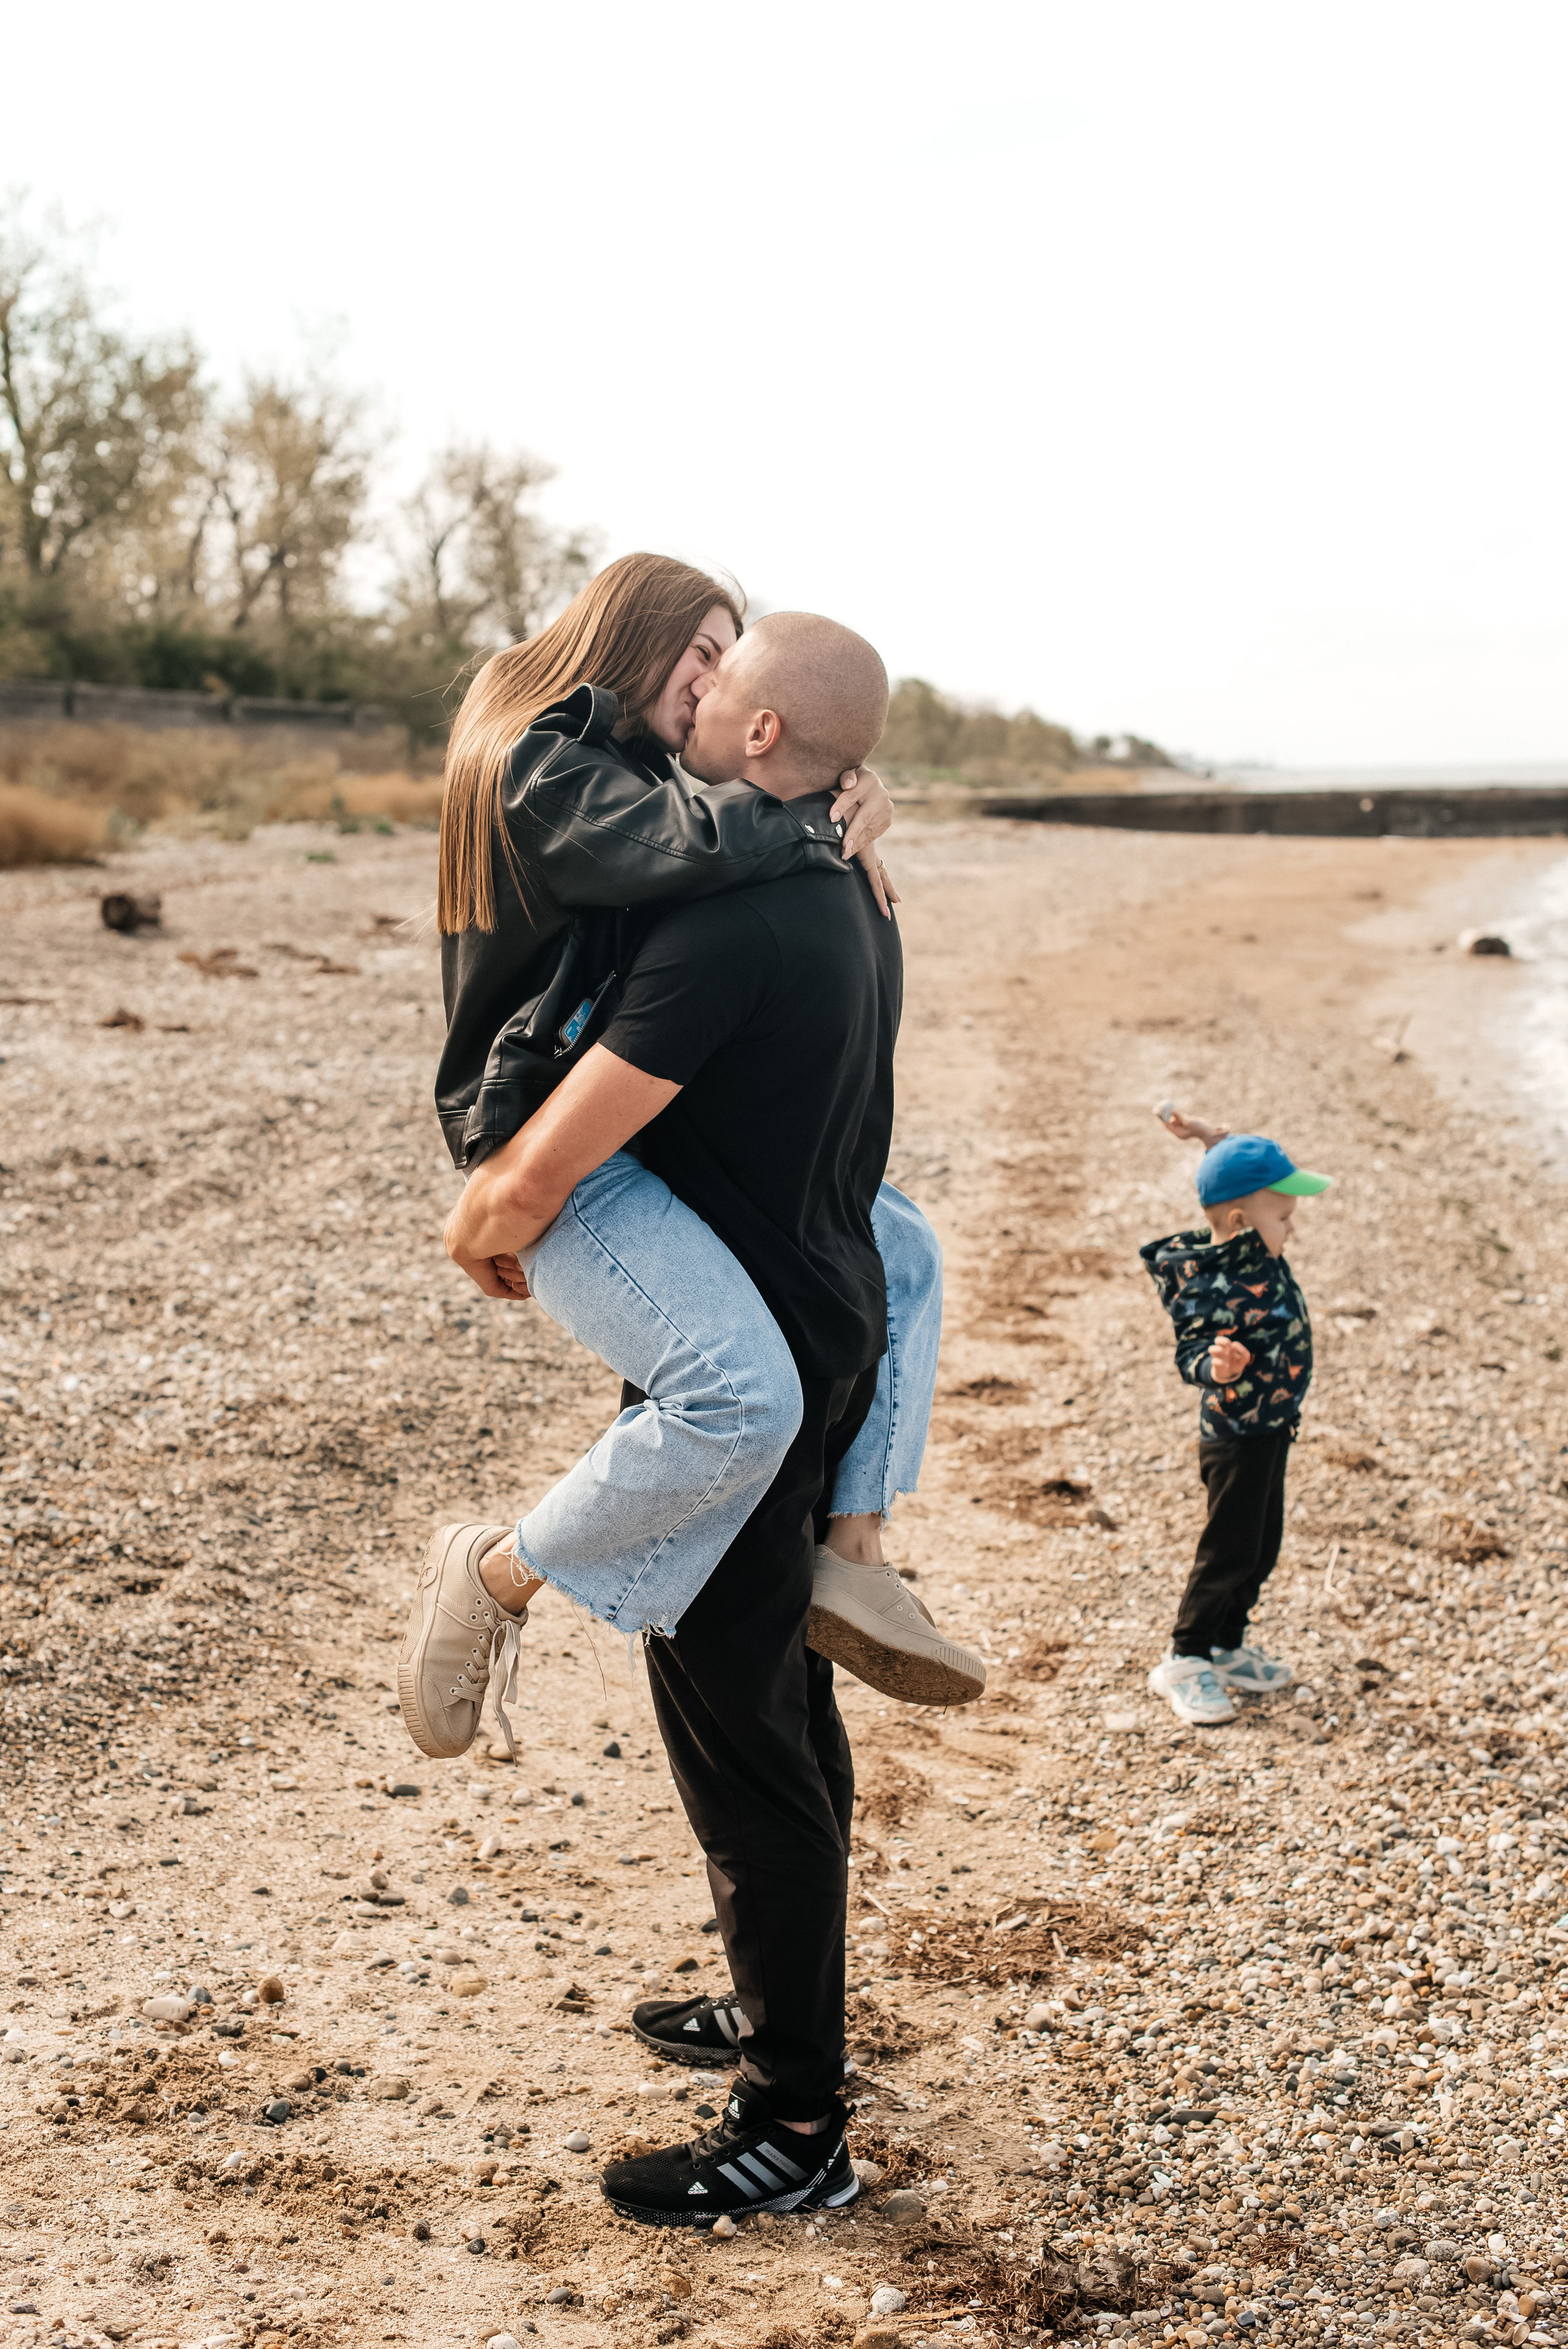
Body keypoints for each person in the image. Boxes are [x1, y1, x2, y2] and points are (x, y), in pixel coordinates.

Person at [429, 613, 920, 2224]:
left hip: (754, 1368)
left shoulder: (725, 926)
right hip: (825, 1316)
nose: (695, 703)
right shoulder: (852, 887)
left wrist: (491, 1208)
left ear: (767, 738)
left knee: (742, 1741)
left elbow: (562, 1153)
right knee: (782, 1709)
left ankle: (795, 2126)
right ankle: (781, 2012)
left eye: (722, 684)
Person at [400, 556, 981, 1768]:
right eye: (705, 653)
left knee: (906, 1248)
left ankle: (853, 1555)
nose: (716, 682)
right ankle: (495, 1575)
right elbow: (678, 846)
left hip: (628, 1110)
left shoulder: (631, 767)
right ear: (637, 643)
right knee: (740, 1398)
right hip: (542, 1122)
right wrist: (825, 803)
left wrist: (854, 786)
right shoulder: (544, 763)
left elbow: (724, 806)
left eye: (732, 663)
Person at [1140, 1106, 1332, 1729]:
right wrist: (1217, 1369)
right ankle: (1185, 1655)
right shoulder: (1210, 1282)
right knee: (1228, 1548)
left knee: (1262, 1544)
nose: (1291, 1228)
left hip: (1272, 1426)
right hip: (1235, 1437)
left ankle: (1225, 1644)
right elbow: (1189, 1351)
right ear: (1244, 1222)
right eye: (1284, 1217)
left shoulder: (1253, 1244)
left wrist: (1208, 1138)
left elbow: (1231, 1174)